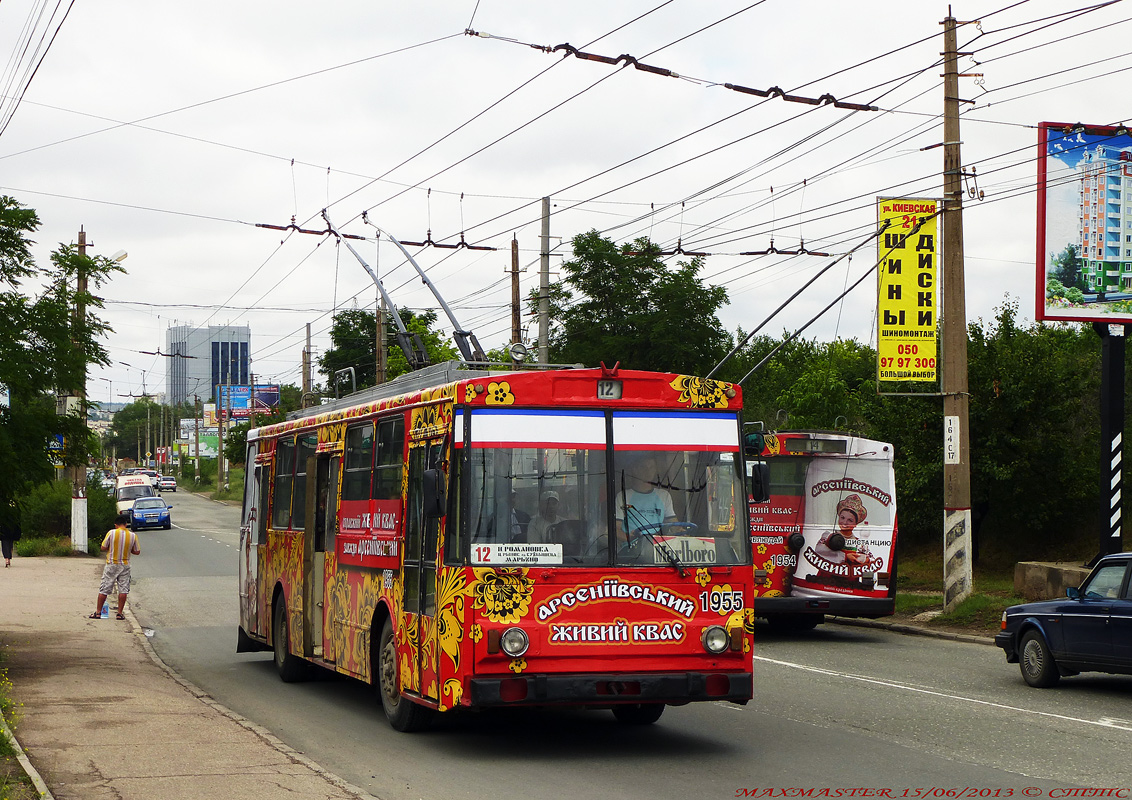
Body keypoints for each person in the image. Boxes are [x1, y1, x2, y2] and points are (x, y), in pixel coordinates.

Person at [614, 455, 676, 544]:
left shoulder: (664, 495)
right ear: (635, 470)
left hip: (659, 548)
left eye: (651, 467)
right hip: (632, 551)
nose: (648, 471)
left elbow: (674, 524)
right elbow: (616, 529)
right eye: (643, 467)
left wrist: (681, 531)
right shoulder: (623, 496)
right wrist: (631, 539)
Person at [90, 511, 141, 620]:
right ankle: (119, 613)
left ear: (116, 525)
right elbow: (137, 551)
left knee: (105, 587)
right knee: (123, 589)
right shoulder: (133, 536)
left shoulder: (111, 533)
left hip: (112, 564)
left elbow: (103, 547)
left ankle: (98, 612)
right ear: (126, 524)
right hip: (125, 565)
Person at [815, 494, 873, 566]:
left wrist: (866, 559)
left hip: (849, 576)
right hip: (827, 575)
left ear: (855, 524)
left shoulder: (859, 543)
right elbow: (819, 550)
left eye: (850, 520)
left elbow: (871, 558)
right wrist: (845, 557)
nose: (845, 522)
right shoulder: (829, 536)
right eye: (842, 518)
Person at [0, 503, 20, 567]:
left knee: (5, 545)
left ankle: (7, 559)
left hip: (4, 532)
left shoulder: (3, 514)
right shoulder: (14, 515)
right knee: (10, 545)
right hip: (11, 532)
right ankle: (8, 558)